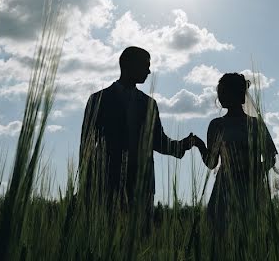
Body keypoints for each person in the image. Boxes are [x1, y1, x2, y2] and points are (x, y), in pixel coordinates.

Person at [79, 46, 195, 219]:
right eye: (145, 65)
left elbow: (157, 141)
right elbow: (86, 145)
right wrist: (85, 183)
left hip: (141, 186)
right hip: (105, 183)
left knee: (138, 240)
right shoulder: (98, 99)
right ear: (128, 65)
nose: (149, 71)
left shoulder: (149, 104)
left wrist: (182, 145)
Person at [192, 72, 278, 232]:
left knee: (248, 234)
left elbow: (270, 157)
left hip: (249, 187)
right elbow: (212, 163)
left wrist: (252, 171)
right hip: (225, 189)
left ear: (238, 94)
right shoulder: (217, 125)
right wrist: (199, 145)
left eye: (224, 92)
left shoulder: (255, 125)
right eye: (220, 92)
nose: (221, 96)